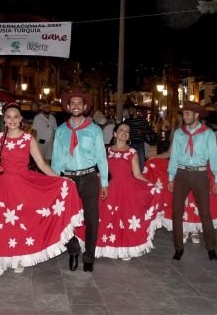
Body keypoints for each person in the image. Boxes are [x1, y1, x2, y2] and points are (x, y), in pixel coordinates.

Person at [0, 102, 83, 276]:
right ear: (4, 119)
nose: (12, 120)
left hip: (23, 184)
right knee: (0, 222)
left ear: (21, 119)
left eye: (15, 117)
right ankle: (0, 258)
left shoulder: (28, 139)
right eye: (8, 117)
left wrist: (59, 179)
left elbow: (42, 164)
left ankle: (19, 258)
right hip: (3, 186)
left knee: (19, 223)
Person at [52, 86, 108, 272]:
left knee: (92, 219)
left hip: (90, 177)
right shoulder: (61, 130)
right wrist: (54, 181)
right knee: (63, 217)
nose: (76, 106)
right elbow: (57, 158)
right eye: (72, 103)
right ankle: (74, 248)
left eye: (79, 103)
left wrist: (105, 182)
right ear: (68, 107)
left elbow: (101, 157)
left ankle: (89, 257)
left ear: (85, 106)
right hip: (68, 179)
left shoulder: (94, 130)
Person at [90, 122, 164, 260]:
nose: (124, 132)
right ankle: (104, 246)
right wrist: (96, 176)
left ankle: (125, 248)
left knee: (125, 218)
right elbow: (101, 168)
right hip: (109, 187)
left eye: (127, 131)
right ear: (115, 134)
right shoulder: (106, 150)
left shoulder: (132, 152)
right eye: (121, 130)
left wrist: (152, 186)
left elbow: (137, 174)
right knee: (107, 217)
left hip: (127, 188)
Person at [168, 101, 217, 261]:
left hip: (200, 174)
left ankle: (211, 248)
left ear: (196, 115)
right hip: (182, 174)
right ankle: (178, 248)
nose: (184, 117)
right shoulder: (179, 133)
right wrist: (171, 177)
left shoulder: (208, 134)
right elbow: (174, 156)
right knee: (176, 211)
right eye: (183, 114)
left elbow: (213, 157)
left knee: (205, 212)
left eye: (187, 114)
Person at [124, 101, 152, 171]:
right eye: (128, 110)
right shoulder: (127, 121)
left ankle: (141, 177)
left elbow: (149, 131)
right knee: (131, 162)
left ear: (134, 110)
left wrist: (142, 131)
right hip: (130, 144)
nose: (129, 112)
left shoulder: (142, 120)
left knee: (141, 162)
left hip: (140, 143)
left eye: (130, 110)